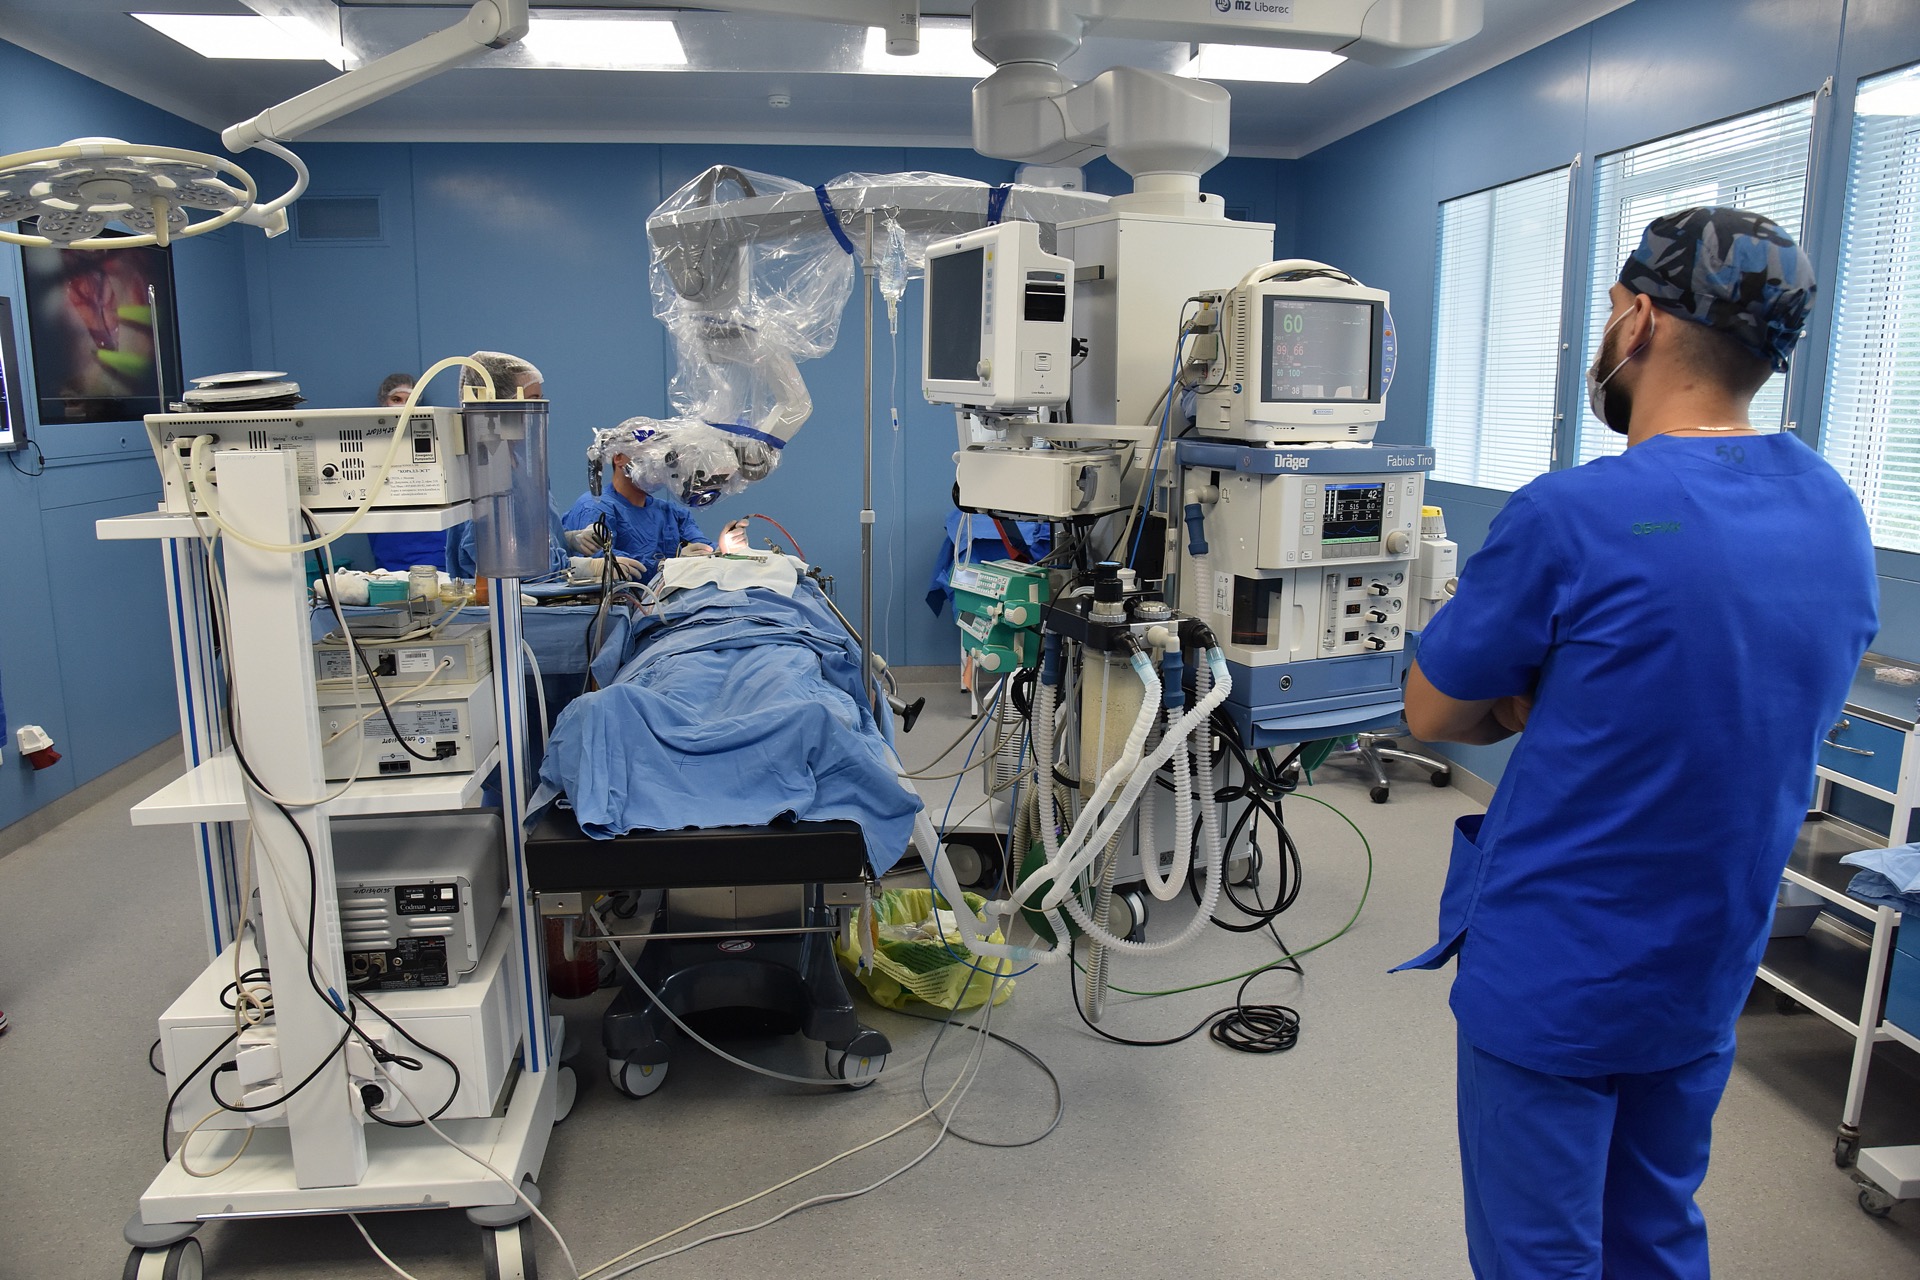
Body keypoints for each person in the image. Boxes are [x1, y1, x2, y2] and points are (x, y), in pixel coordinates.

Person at [1397, 207, 1878, 1279]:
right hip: (1704, 959)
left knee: (1540, 1252)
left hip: (1561, 963)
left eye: (1613, 308)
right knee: (1653, 1230)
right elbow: (1738, 696)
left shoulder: (1573, 514)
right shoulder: (1834, 511)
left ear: (1643, 321)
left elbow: (1432, 713)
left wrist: (1527, 700)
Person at [561, 428, 717, 578]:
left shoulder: (671, 512)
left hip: (666, 595)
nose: (656, 463)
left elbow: (703, 547)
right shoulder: (594, 507)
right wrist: (669, 565)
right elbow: (605, 562)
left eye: (660, 455)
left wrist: (721, 549)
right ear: (618, 458)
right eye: (647, 454)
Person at [366, 370, 448, 571]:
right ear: (384, 401)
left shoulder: (434, 441)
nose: (403, 405)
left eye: (409, 400)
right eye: (396, 399)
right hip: (390, 540)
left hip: (431, 541)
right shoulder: (369, 444)